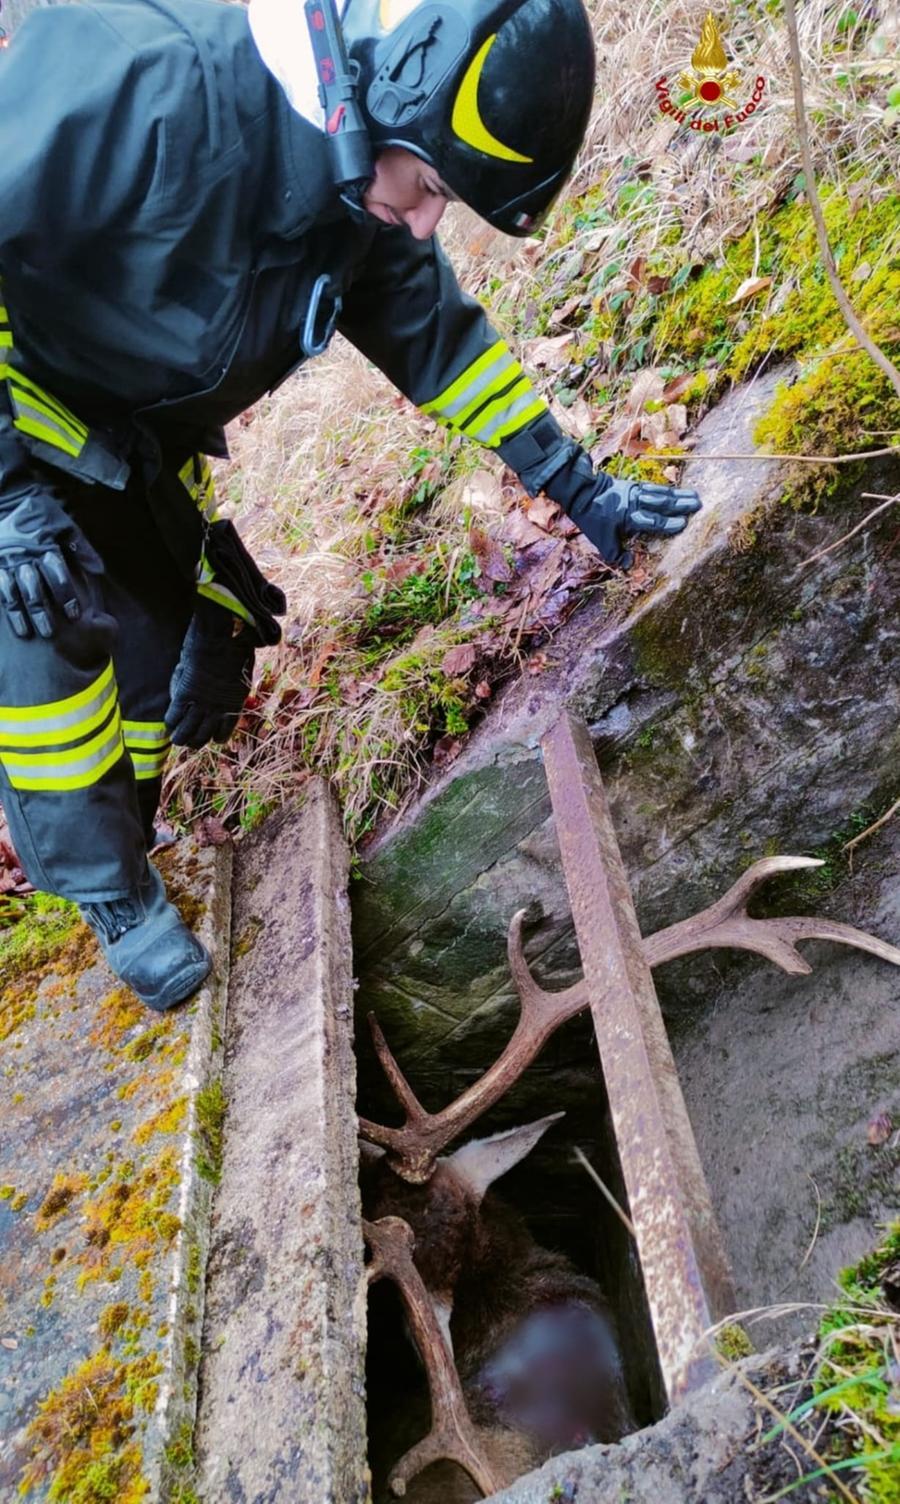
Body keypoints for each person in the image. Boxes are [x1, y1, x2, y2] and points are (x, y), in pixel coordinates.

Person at [0, 0, 701, 1011]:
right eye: (429, 189)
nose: (424, 220)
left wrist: (576, 484)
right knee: (50, 625)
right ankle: (109, 892)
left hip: (138, 432)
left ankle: (182, 674)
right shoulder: (141, 80)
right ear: (388, 95)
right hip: (25, 414)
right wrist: (11, 497)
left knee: (151, 657)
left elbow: (434, 334)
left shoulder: (354, 159)